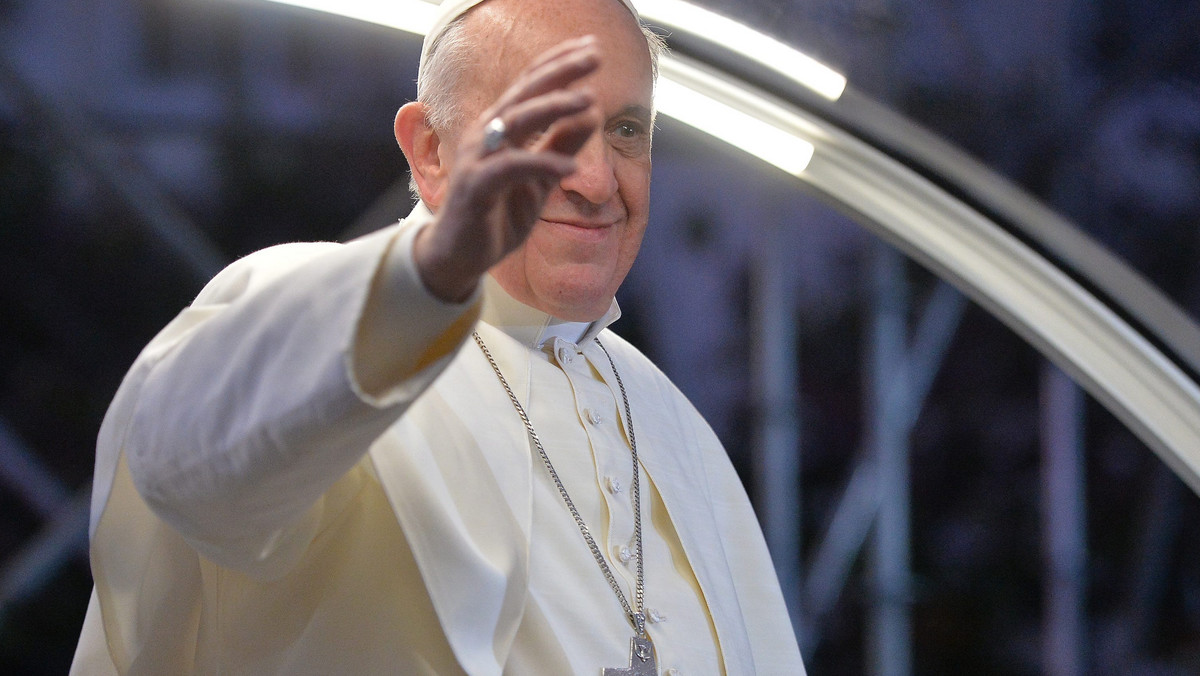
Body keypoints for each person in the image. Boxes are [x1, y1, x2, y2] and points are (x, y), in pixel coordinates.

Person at [70, 0, 806, 673]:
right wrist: (428, 278)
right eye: (546, 129)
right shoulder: (325, 318)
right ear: (430, 152)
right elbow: (180, 466)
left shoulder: (669, 417)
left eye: (626, 131)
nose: (596, 179)